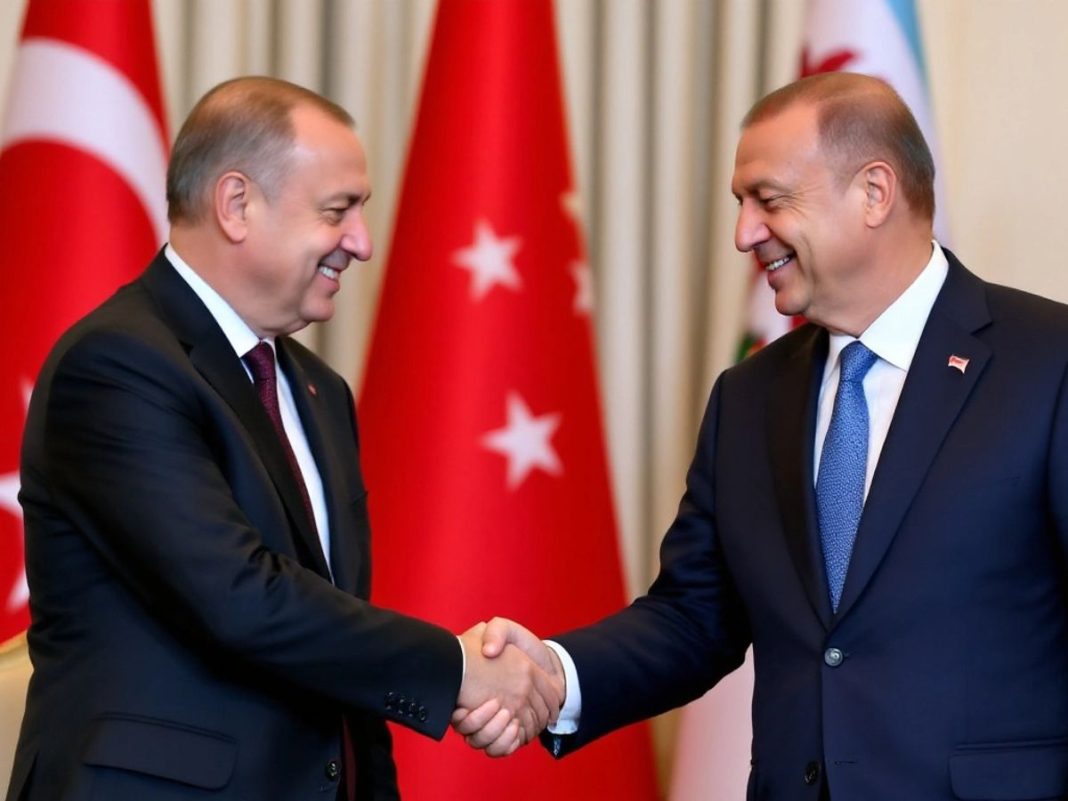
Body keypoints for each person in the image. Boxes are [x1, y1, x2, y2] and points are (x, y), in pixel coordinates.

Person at [455, 72, 1068, 800]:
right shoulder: (748, 396)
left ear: (875, 192)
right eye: (742, 205)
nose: (745, 232)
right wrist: (556, 675)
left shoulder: (1048, 362)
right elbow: (694, 617)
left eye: (768, 200)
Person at [7, 76, 561, 801]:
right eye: (339, 211)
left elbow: (334, 629)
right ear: (237, 204)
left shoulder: (318, 390)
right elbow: (240, 596)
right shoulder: (117, 365)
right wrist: (456, 669)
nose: (361, 243)